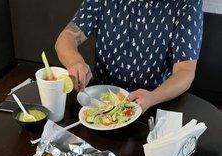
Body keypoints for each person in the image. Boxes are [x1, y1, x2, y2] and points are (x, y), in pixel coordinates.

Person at [55, 0, 203, 112]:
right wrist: (75, 62)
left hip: (156, 101)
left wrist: (152, 97)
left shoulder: (187, 3)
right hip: (101, 99)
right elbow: (67, 37)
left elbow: (185, 72)